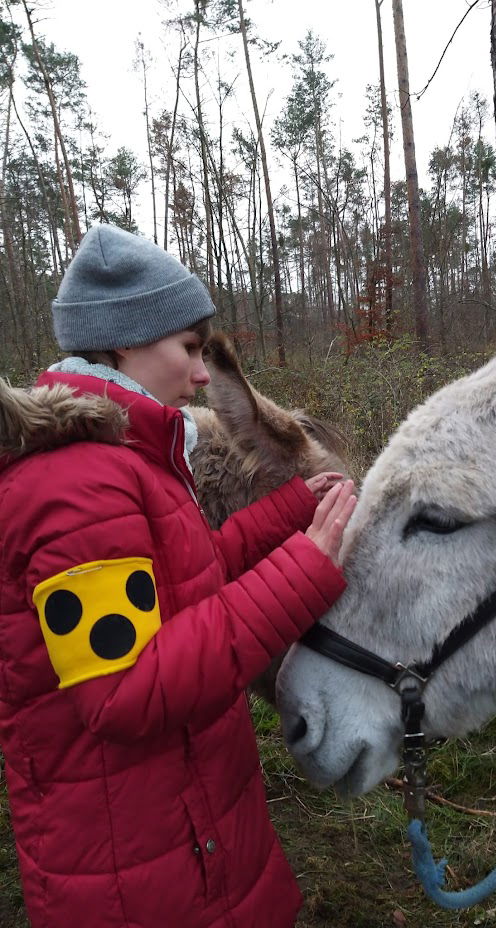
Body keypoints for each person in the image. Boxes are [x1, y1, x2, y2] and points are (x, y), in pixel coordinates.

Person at [0, 224, 357, 928]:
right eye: (190, 348)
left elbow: (184, 585)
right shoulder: (73, 489)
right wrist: (302, 574)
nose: (202, 374)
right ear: (126, 341)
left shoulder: (124, 460)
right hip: (134, 861)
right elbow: (124, 693)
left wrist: (289, 511)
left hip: (177, 821)